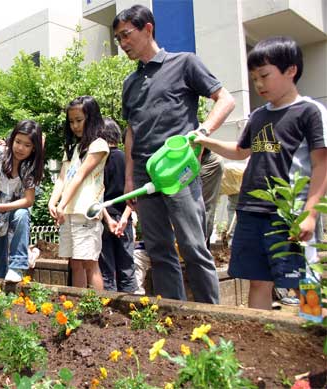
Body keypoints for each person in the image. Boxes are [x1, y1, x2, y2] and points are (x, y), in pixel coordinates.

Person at [193, 36, 327, 310]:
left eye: (264, 75)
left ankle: (312, 338)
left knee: (305, 278)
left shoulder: (310, 112)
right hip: (251, 209)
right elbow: (241, 151)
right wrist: (205, 140)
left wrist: (310, 215)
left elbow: (321, 165)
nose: (259, 84)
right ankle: (262, 335)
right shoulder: (257, 116)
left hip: (289, 211)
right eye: (254, 78)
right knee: (257, 280)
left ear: (291, 70)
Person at [113, 5, 235, 303]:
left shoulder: (184, 63)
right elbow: (131, 131)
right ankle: (174, 315)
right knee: (158, 249)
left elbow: (225, 99)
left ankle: (213, 316)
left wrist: (203, 130)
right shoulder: (129, 83)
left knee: (193, 245)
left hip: (178, 171)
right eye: (118, 39)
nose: (123, 43)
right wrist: (129, 180)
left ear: (148, 29)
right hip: (144, 176)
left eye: (126, 35)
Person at [48, 96, 109, 290]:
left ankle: (97, 307)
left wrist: (61, 204)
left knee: (90, 263)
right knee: (74, 263)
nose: (74, 126)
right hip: (68, 213)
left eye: (79, 120)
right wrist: (53, 201)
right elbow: (63, 178)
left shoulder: (99, 145)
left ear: (91, 118)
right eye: (71, 121)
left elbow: (80, 176)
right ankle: (76, 307)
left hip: (86, 211)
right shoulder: (73, 149)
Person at [0, 119, 45, 282]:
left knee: (22, 214)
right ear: (12, 139)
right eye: (18, 142)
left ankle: (18, 265)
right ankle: (3, 304)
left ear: (34, 147)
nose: (20, 148)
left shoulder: (30, 167)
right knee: (0, 271)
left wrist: (0, 207)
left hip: (14, 217)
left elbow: (28, 201)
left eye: (27, 145)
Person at [99, 118, 137, 292]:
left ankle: (109, 312)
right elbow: (133, 193)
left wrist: (107, 219)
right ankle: (131, 310)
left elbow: (97, 194)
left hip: (104, 219)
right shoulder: (126, 158)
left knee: (106, 270)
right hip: (123, 219)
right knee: (127, 268)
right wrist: (124, 218)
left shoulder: (99, 160)